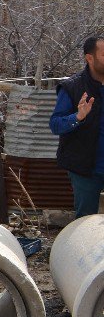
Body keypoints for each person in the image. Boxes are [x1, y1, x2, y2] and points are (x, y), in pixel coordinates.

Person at [51, 36, 104, 218]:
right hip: (85, 169)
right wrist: (78, 116)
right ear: (90, 58)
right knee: (85, 222)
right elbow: (55, 125)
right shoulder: (73, 87)